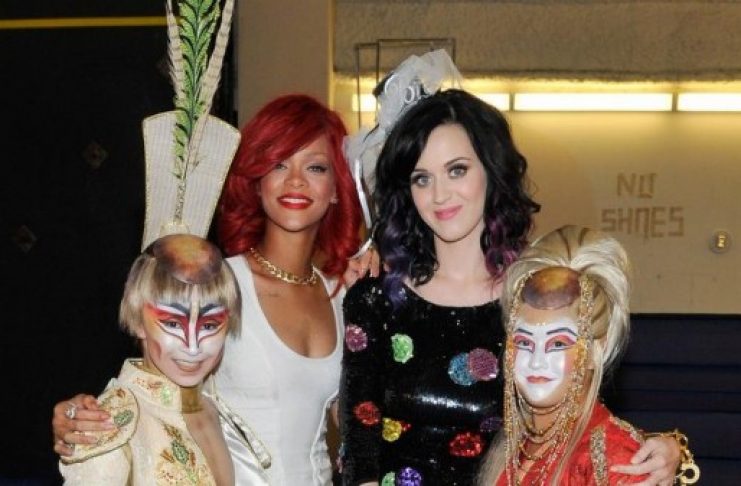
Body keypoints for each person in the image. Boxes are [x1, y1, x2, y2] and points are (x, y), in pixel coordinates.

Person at [339, 89, 680, 486]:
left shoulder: (535, 299)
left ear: (491, 169)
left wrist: (666, 448)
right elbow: (359, 446)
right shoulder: (376, 299)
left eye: (457, 170)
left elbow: (579, 412)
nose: (439, 195)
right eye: (421, 178)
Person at [53, 94, 364, 485]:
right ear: (257, 181)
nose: (296, 180)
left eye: (316, 167)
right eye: (278, 164)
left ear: (336, 187)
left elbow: (355, 422)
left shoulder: (345, 295)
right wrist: (82, 415)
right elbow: (153, 380)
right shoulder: (215, 283)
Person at [477, 225, 700, 486]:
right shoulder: (518, 445)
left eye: (557, 343)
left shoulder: (615, 460)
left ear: (598, 350)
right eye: (524, 342)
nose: (536, 360)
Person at [59, 234, 270, 485]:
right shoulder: (107, 422)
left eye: (209, 325)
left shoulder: (220, 411)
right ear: (138, 322)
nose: (193, 347)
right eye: (172, 323)